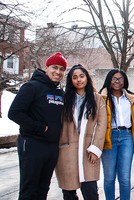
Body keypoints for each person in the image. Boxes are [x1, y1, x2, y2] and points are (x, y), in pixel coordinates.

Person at [8, 52, 67, 199]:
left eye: (61, 69)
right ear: (46, 67)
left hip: (51, 147)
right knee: (29, 189)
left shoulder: (60, 92)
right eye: (54, 67)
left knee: (43, 189)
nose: (58, 72)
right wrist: (41, 128)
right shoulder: (31, 87)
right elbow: (14, 113)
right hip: (32, 143)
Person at [55, 64, 107, 200]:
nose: (79, 80)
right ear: (70, 80)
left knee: (90, 190)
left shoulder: (97, 99)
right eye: (75, 77)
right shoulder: (64, 98)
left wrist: (95, 149)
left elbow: (102, 125)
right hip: (67, 151)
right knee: (68, 192)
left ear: (87, 78)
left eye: (82, 76)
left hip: (88, 150)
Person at [99, 69, 134, 200]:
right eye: (114, 78)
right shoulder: (101, 97)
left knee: (125, 177)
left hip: (127, 136)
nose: (117, 81)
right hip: (109, 136)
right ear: (109, 80)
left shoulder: (131, 98)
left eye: (120, 78)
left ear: (124, 81)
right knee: (109, 176)